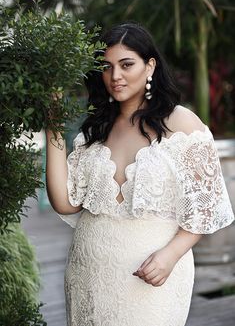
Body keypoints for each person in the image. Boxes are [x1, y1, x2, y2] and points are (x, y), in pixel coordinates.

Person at [45, 22, 234, 326]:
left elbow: (206, 206)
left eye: (126, 64)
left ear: (150, 66)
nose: (115, 76)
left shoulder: (181, 123)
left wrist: (171, 254)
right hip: (87, 274)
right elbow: (65, 203)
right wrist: (52, 120)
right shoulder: (95, 129)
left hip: (154, 273)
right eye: (106, 67)